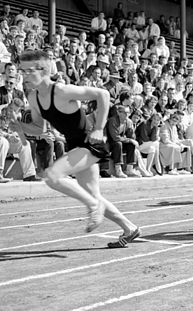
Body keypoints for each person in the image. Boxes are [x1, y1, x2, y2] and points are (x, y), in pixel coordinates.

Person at [11, 50, 141, 248]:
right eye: (23, 70)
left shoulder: (62, 91)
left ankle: (93, 206)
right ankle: (130, 228)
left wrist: (98, 128)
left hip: (89, 143)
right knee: (93, 195)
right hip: (74, 146)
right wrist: (19, 126)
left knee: (52, 176)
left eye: (29, 71)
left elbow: (103, 94)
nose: (24, 75)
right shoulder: (34, 97)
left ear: (44, 71)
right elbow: (39, 128)